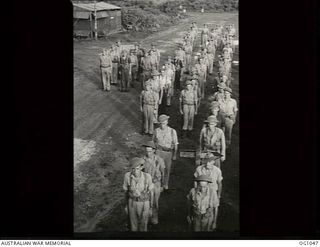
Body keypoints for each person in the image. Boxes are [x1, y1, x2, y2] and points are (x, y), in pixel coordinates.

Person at [123, 157, 154, 232]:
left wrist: (151, 207)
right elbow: (126, 192)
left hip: (144, 203)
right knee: (133, 225)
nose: (135, 171)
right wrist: (126, 206)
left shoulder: (147, 177)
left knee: (143, 224)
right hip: (132, 202)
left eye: (137, 168)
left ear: (141, 167)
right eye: (133, 169)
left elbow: (151, 193)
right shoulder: (127, 176)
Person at [194, 154, 223, 230]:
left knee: (211, 210)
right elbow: (195, 181)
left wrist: (218, 195)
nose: (207, 164)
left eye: (210, 162)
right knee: (198, 210)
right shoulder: (199, 169)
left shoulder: (217, 171)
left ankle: (212, 223)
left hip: (212, 194)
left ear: (213, 161)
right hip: (201, 192)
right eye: (206, 161)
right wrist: (196, 192)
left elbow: (220, 183)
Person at [141, 141, 166, 226]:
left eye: (150, 151)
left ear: (154, 150)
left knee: (155, 201)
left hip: (156, 184)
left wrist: (163, 185)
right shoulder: (143, 160)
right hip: (146, 184)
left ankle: (154, 217)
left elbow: (163, 173)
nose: (148, 153)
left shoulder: (159, 160)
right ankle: (146, 218)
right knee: (145, 201)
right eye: (147, 151)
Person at [153, 114, 179, 191]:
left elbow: (175, 144)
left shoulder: (172, 131)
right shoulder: (156, 131)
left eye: (164, 123)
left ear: (167, 122)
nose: (162, 125)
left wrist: (174, 155)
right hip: (159, 152)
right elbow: (154, 142)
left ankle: (165, 184)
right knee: (158, 168)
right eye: (161, 123)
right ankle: (159, 183)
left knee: (167, 169)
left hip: (168, 153)